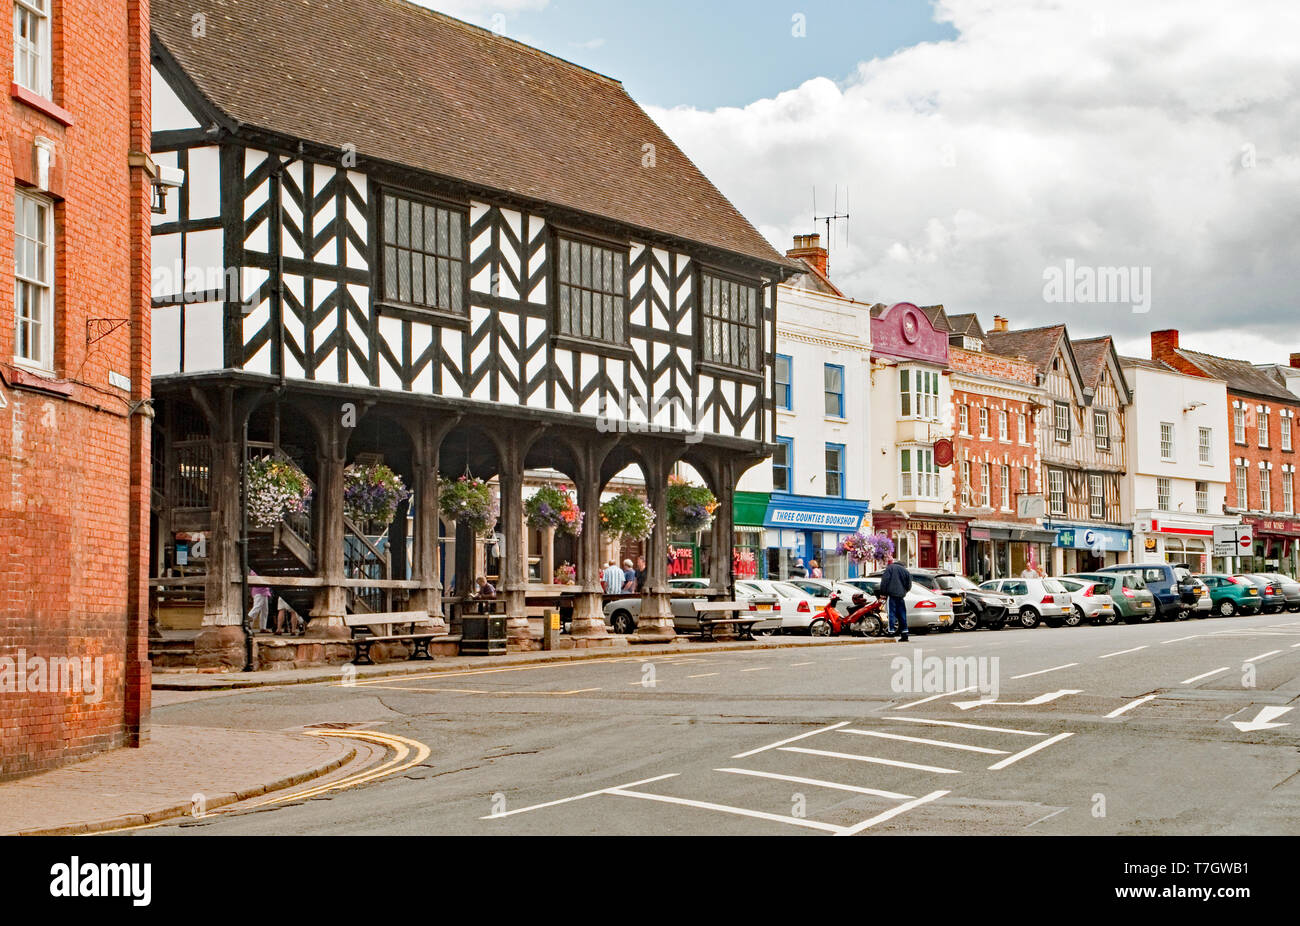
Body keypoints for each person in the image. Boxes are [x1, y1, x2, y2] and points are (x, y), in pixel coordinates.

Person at [878, 554, 913, 642]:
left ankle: (891, 631)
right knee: (902, 614)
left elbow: (885, 581)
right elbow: (909, 584)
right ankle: (905, 633)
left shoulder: (890, 568)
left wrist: (883, 593)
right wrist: (904, 592)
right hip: (901, 596)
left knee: (891, 613)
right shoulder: (905, 571)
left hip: (891, 594)